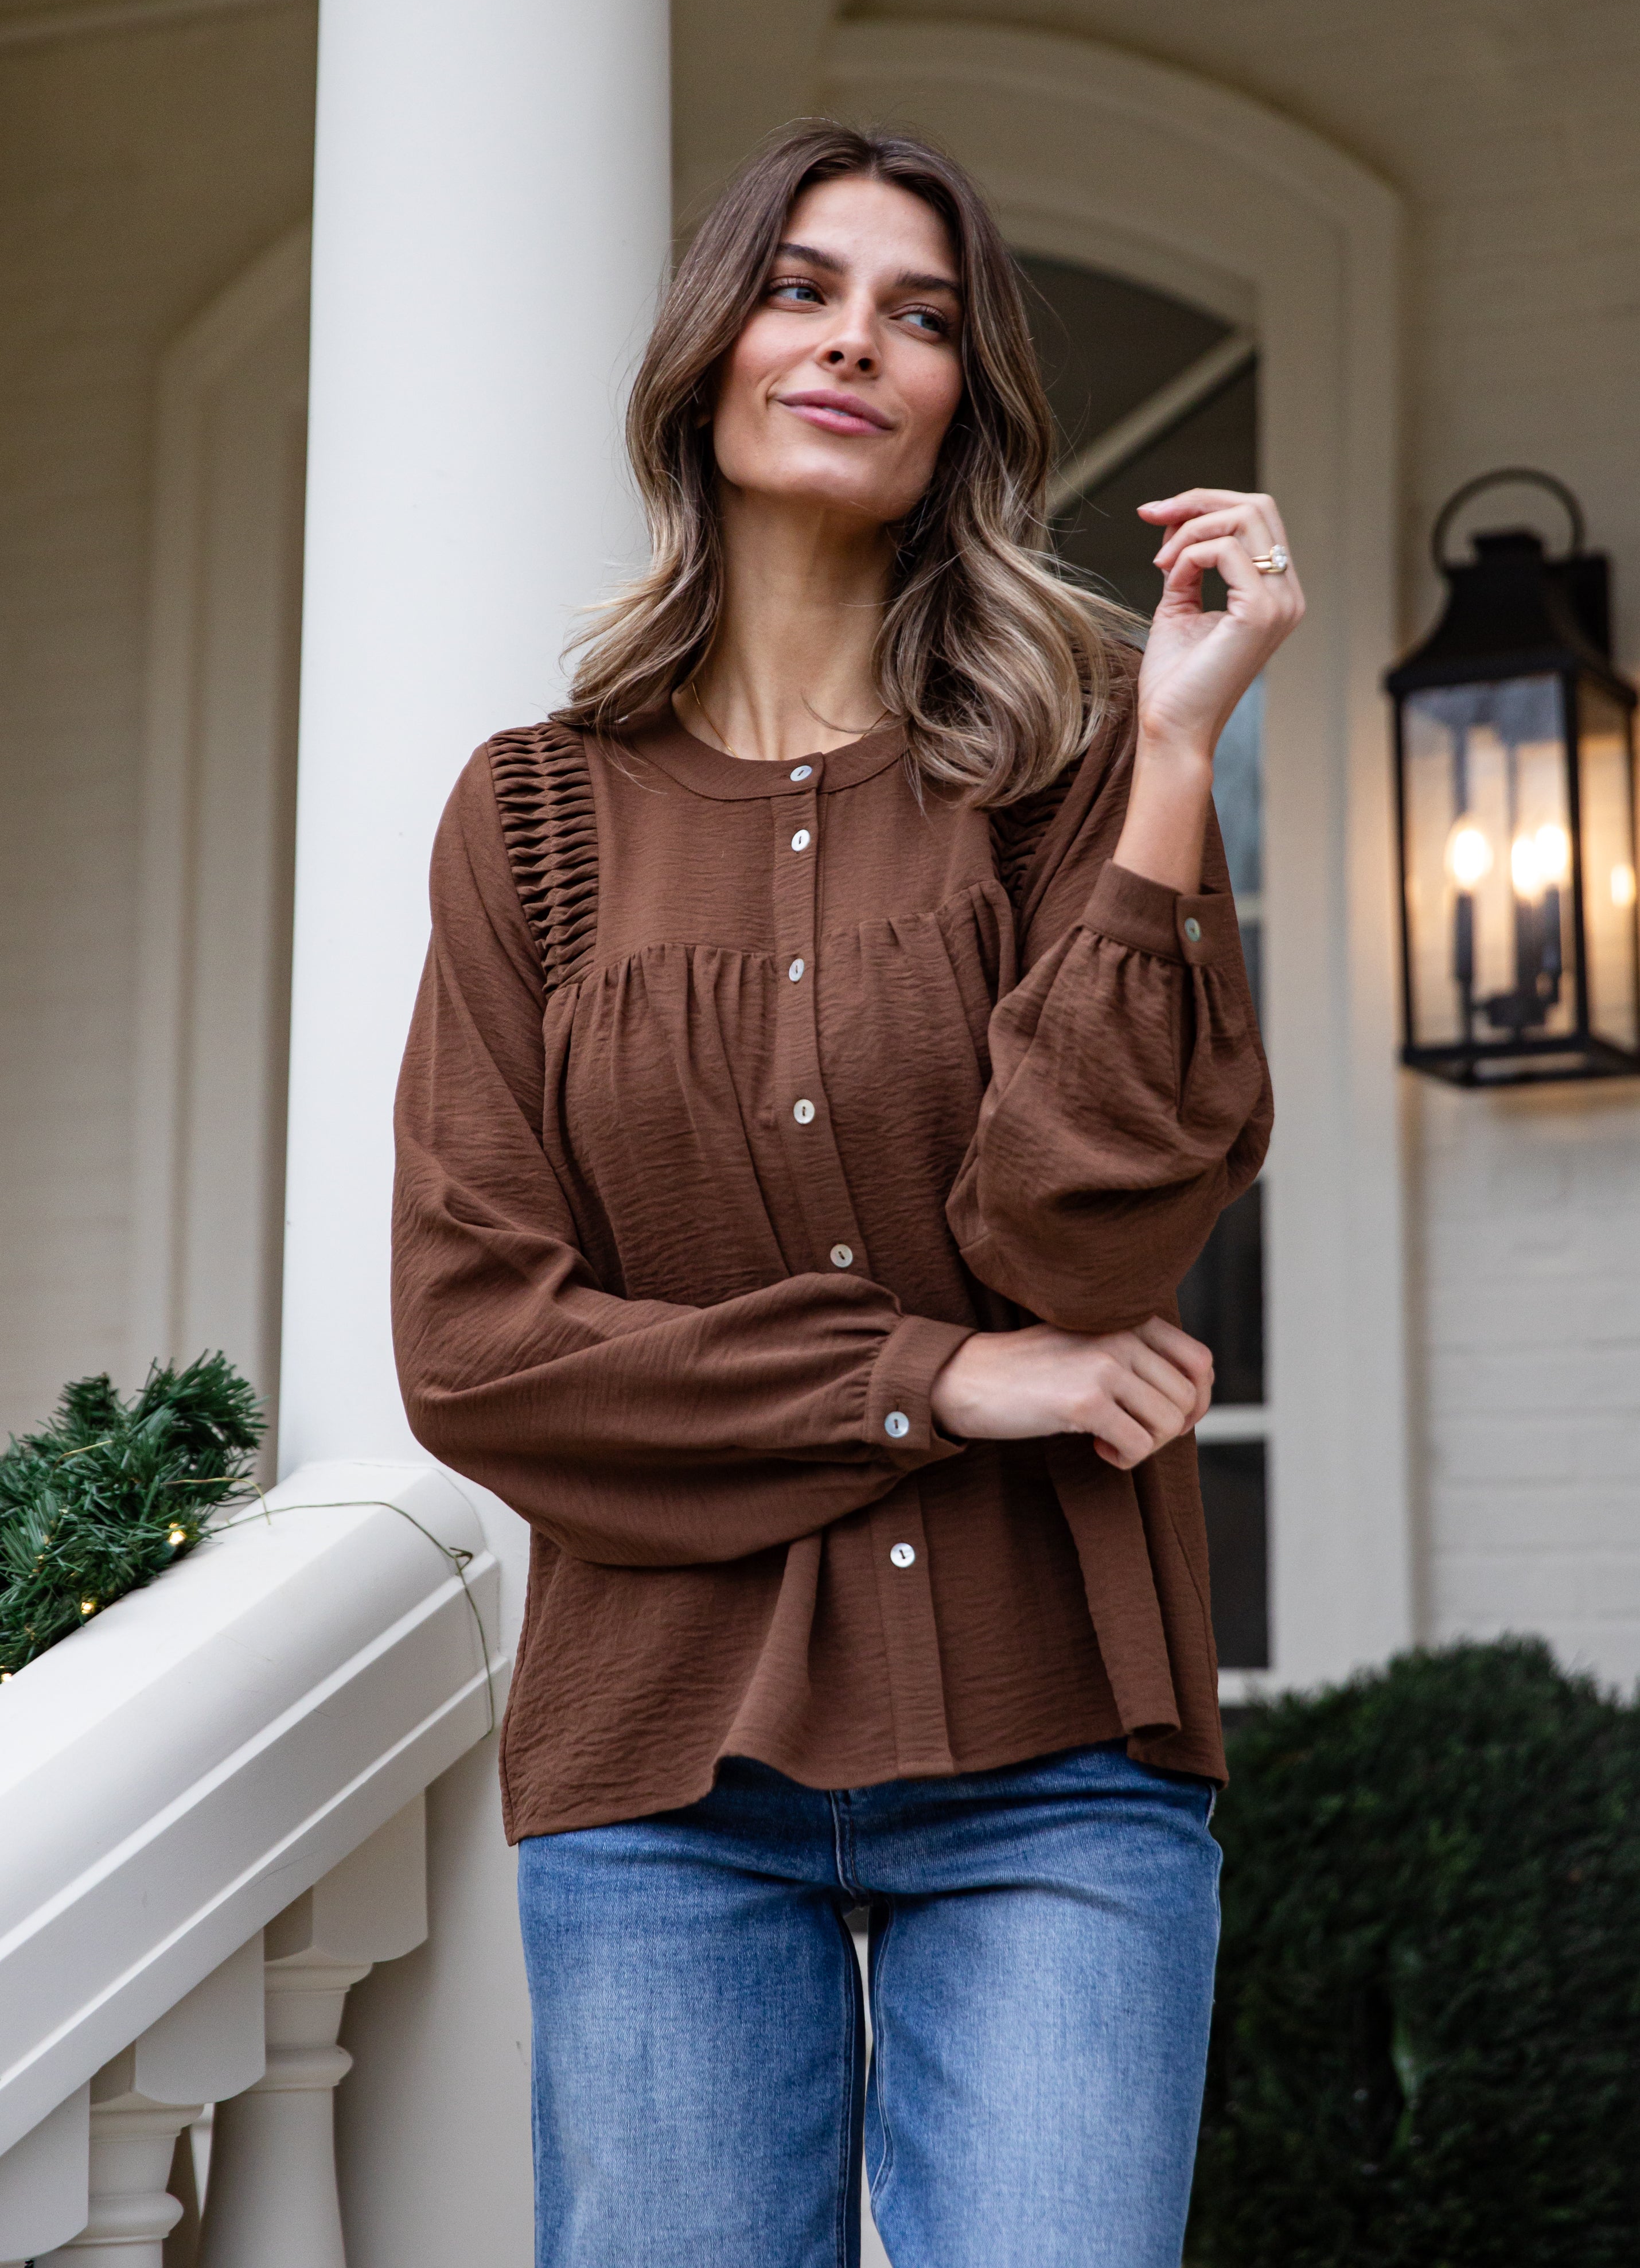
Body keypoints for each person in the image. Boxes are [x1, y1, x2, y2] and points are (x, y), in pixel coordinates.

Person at [391, 121, 1299, 2268]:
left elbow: (1086, 1239)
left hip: (1061, 1755)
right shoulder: (534, 818)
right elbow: (480, 1348)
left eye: (919, 317)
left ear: (963, 410)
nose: (853, 344)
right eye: (803, 289)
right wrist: (939, 1383)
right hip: (663, 1777)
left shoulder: (1078, 764)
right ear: (710, 352)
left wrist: (1175, 756)